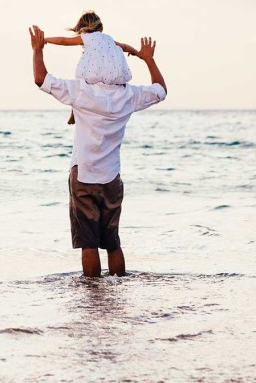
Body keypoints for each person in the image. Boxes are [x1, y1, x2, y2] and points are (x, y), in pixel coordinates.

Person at [30, 24, 167, 278]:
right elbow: (160, 90)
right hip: (111, 179)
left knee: (89, 243)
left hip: (84, 175)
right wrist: (148, 59)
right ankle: (118, 289)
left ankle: (93, 298)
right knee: (113, 242)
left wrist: (38, 50)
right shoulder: (128, 96)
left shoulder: (81, 91)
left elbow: (42, 79)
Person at [44, 10, 137, 125]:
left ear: (81, 29)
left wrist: (45, 40)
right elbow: (125, 46)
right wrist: (135, 52)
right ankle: (74, 113)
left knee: (79, 87)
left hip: (94, 73)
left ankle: (74, 113)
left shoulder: (85, 37)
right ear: (101, 29)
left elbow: (64, 41)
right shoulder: (109, 38)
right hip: (113, 74)